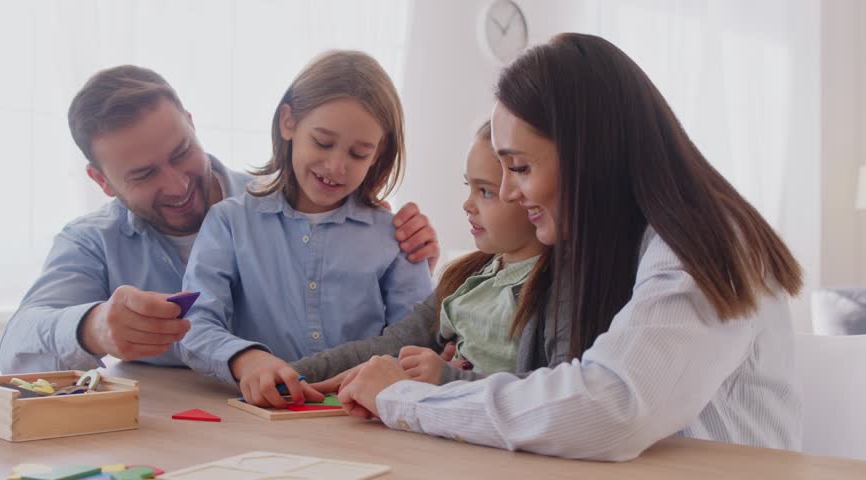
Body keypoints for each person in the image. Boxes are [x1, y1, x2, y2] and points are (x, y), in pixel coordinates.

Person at [336, 33, 804, 461]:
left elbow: (611, 407)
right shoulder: (605, 251)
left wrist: (404, 398)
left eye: (518, 167)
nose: (510, 194)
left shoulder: (709, 241)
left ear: (587, 154)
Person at [0, 65, 439, 374]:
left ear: (191, 124)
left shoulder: (295, 202)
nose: (176, 185)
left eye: (180, 152)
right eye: (144, 174)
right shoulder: (92, 242)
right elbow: (16, 345)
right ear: (102, 181)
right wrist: (92, 327)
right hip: (177, 426)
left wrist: (410, 255)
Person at [178, 51, 433, 405]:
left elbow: (418, 339)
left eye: (358, 154)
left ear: (378, 153)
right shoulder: (230, 223)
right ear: (288, 122)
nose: (336, 166)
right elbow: (193, 325)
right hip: (260, 416)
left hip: (364, 417)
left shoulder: (395, 237)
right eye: (323, 142)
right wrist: (246, 360)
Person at [287, 121, 564, 396]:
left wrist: (446, 379)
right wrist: (291, 373)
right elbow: (392, 345)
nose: (467, 205)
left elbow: (558, 392)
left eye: (486, 192)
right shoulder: (465, 278)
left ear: (530, 194)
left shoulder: (557, 289)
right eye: (469, 186)